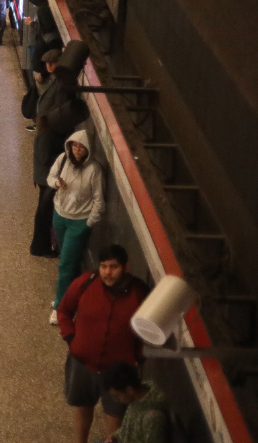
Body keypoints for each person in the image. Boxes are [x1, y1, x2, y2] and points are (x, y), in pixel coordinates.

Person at [57, 245, 150, 443]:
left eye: (113, 267)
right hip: (82, 363)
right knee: (82, 405)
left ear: (126, 267)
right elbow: (64, 311)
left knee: (115, 415)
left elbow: (151, 328)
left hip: (119, 370)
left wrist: (139, 355)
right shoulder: (85, 283)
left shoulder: (139, 292)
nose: (107, 272)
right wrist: (72, 339)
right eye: (103, 266)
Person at [32, 49, 90, 256]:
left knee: (44, 209)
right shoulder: (48, 133)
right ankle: (40, 246)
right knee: (45, 210)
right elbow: (45, 156)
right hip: (46, 172)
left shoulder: (48, 123)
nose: (49, 66)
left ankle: (41, 245)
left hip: (45, 170)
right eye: (46, 63)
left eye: (52, 62)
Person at [48, 130, 104, 324]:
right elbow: (50, 177)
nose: (77, 150)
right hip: (59, 216)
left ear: (88, 149)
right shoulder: (63, 159)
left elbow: (99, 201)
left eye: (81, 147)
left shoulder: (94, 170)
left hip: (79, 222)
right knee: (67, 260)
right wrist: (56, 183)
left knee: (65, 264)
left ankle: (59, 307)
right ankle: (69, 297)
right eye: (74, 145)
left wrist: (88, 223)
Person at [101, 362, 170, 443]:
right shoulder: (135, 401)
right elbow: (126, 430)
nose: (116, 399)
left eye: (117, 396)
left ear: (129, 390)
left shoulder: (152, 418)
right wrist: (114, 437)